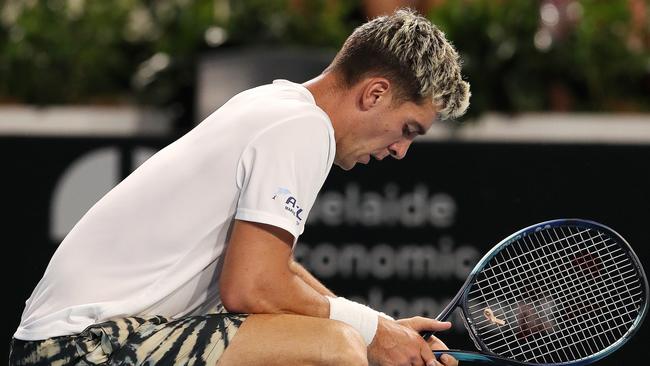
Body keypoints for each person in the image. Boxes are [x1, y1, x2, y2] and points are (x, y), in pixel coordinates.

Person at [10, 8, 470, 366]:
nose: (401, 151)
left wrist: (382, 328)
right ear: (374, 93)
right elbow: (252, 288)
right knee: (335, 349)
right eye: (408, 129)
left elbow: (276, 270)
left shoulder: (275, 103)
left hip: (70, 339)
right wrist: (370, 333)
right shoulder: (302, 128)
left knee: (336, 338)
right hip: (77, 346)